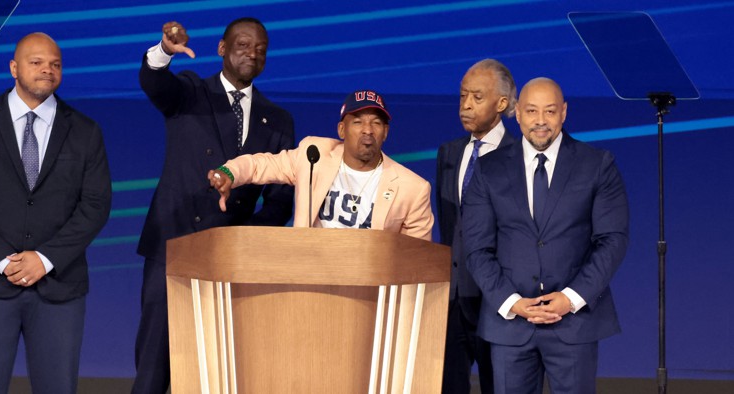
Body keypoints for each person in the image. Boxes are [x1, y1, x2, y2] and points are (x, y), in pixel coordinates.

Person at [0, 32, 112, 394]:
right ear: (14, 68)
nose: (47, 70)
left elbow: (95, 205)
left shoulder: (85, 131)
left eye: (55, 64)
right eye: (36, 62)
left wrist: (46, 259)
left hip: (59, 286)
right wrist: (4, 260)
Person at [133, 17, 295, 393]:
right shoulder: (190, 91)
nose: (251, 53)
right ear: (222, 49)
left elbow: (280, 199)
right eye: (242, 44)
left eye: (260, 48)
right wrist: (162, 53)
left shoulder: (279, 120)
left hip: (230, 260)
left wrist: (241, 238)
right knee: (155, 366)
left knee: (217, 371)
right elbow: (155, 83)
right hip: (172, 248)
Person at [462, 77, 629, 394]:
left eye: (550, 111)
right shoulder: (488, 169)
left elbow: (612, 240)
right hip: (510, 324)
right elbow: (476, 249)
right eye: (532, 111)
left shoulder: (597, 164)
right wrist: (513, 303)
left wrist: (571, 298)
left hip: (574, 323)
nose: (540, 121)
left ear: (564, 112)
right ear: (517, 113)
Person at [208, 90, 433, 241]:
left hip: (370, 290)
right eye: (358, 122)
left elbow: (416, 257)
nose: (367, 130)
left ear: (386, 132)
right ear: (341, 130)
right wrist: (230, 172)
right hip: (311, 276)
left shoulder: (411, 188)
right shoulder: (314, 155)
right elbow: (262, 164)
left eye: (376, 123)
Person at [436, 58, 516, 394]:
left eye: (477, 98)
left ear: (501, 104)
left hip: (497, 301)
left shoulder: (519, 156)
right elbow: (450, 226)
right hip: (453, 300)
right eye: (462, 96)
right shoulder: (449, 152)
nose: (466, 106)